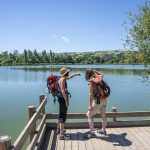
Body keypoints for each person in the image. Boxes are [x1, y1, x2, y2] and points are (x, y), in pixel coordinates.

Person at [57, 67, 80, 140]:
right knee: (63, 116)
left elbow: (69, 77)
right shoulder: (63, 79)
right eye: (68, 72)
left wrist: (76, 74)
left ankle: (59, 130)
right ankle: (61, 135)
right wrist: (66, 101)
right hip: (63, 99)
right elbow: (63, 91)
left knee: (61, 114)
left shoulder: (61, 78)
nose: (69, 73)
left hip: (60, 98)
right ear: (66, 73)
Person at [85, 69, 107, 138]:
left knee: (89, 115)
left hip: (97, 101)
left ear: (87, 75)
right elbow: (101, 74)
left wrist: (90, 105)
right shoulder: (99, 78)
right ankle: (103, 130)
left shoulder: (91, 82)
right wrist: (94, 71)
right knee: (103, 115)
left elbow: (91, 95)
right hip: (104, 99)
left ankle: (91, 133)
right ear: (93, 73)